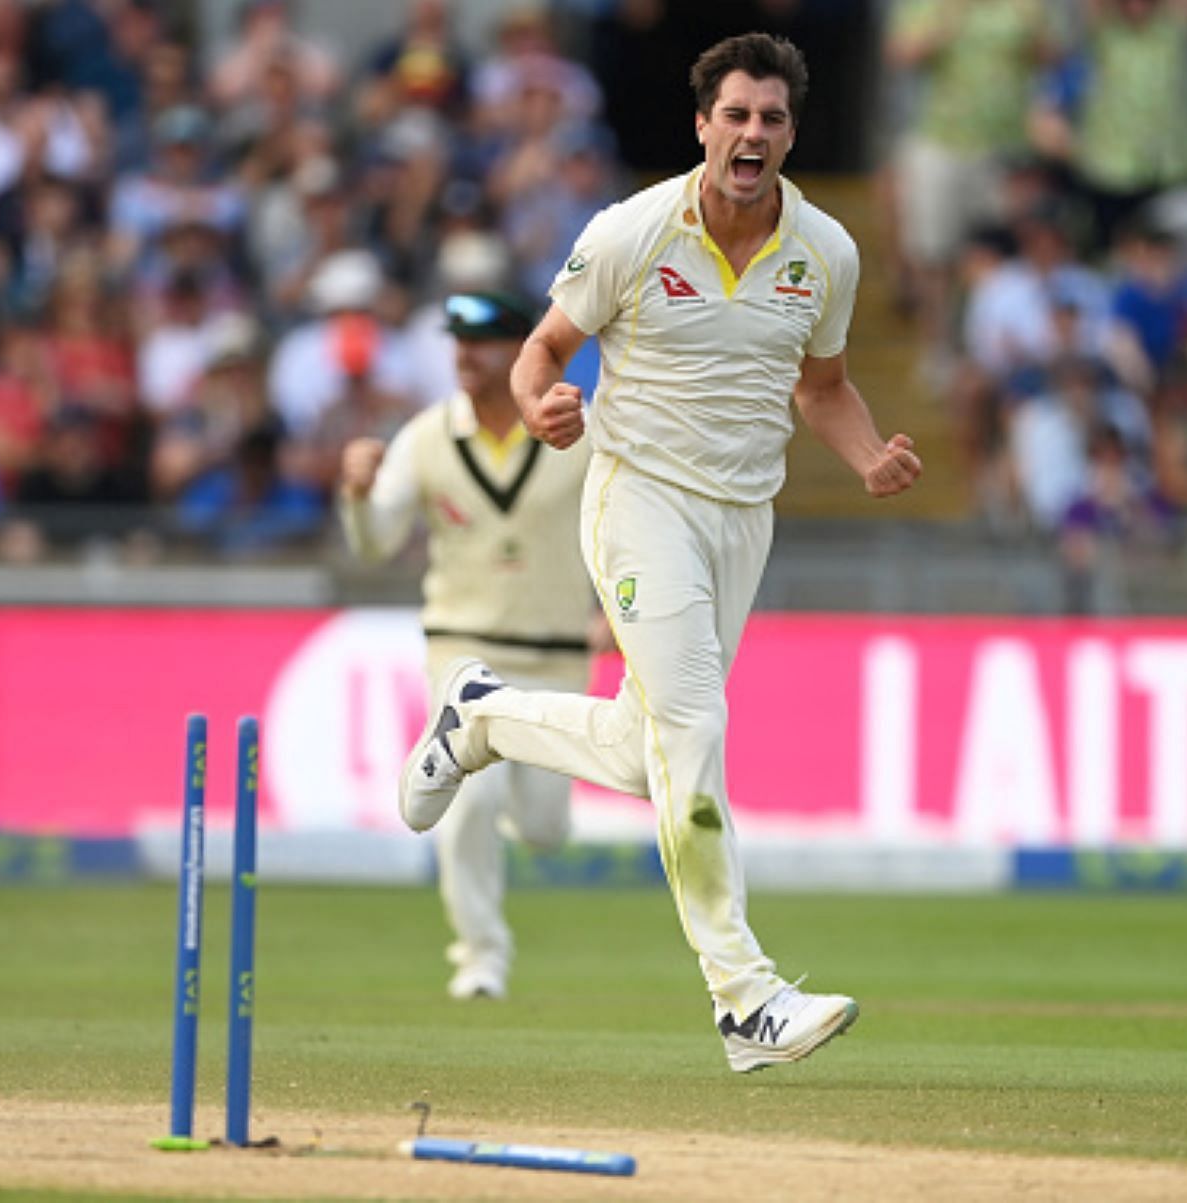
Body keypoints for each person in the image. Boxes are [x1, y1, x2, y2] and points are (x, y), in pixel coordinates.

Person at [397, 34, 922, 1073]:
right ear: (701, 125)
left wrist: (866, 457)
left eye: (770, 119)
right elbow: (541, 349)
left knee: (653, 749)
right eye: (734, 115)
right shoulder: (635, 229)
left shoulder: (826, 251)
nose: (752, 135)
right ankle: (743, 996)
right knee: (695, 727)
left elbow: (821, 387)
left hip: (742, 519)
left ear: (788, 134)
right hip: (638, 499)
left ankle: (483, 718)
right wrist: (537, 404)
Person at [338, 291, 595, 1001]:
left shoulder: (581, 432)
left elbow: (624, 529)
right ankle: (480, 955)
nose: (464, 355)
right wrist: (358, 496)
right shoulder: (426, 436)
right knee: (472, 801)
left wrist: (618, 611)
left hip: (554, 652)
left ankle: (518, 791)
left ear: (524, 350)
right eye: (457, 340)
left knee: (544, 827)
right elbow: (377, 543)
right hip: (463, 651)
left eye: (483, 340)